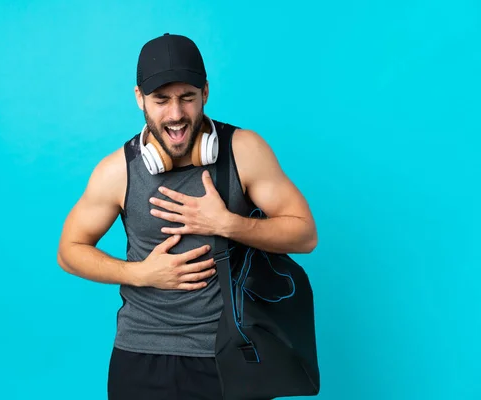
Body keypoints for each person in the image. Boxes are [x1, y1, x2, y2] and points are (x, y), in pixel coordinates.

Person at [56, 33, 317, 400]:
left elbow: (305, 235)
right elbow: (69, 250)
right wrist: (140, 273)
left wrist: (227, 223)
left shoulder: (244, 151)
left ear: (205, 93)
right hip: (142, 356)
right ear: (139, 99)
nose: (176, 114)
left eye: (187, 98)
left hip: (231, 354)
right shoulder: (118, 171)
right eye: (161, 100)